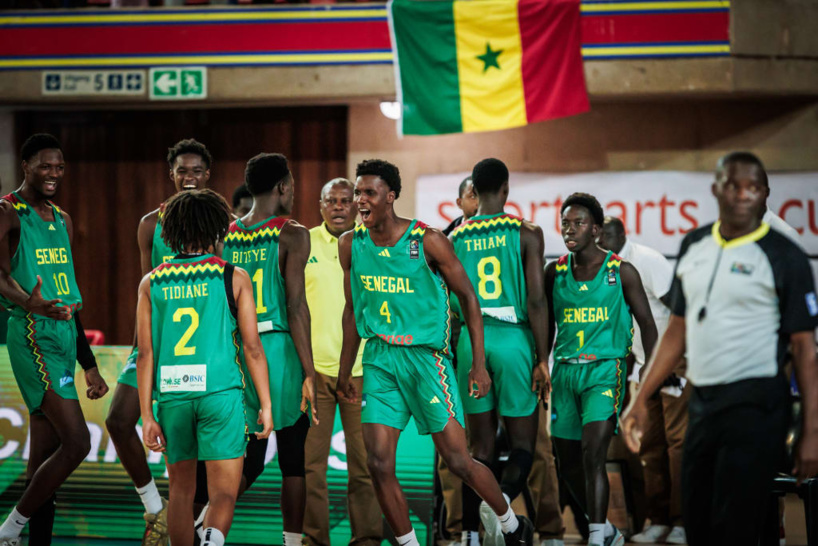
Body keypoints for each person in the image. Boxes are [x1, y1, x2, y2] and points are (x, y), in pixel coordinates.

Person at [621, 152, 818, 545]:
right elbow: (676, 330)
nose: (742, 194)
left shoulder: (786, 254)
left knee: (739, 523)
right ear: (716, 188)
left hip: (757, 405)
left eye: (753, 187)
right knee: (698, 518)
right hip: (703, 401)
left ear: (765, 193)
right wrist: (641, 398)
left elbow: (804, 349)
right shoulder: (695, 245)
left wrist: (811, 430)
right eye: (733, 184)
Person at [336, 159, 534, 546]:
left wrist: (478, 364)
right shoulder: (350, 245)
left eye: (368, 192)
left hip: (427, 361)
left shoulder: (427, 240)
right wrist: (347, 370)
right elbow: (351, 311)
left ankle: (512, 525)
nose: (360, 200)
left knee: (460, 461)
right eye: (358, 192)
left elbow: (469, 299)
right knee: (377, 463)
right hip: (379, 359)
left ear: (390, 196)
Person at [136, 189, 273, 546]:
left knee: (181, 492)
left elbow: (146, 354)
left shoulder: (151, 282)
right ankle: (212, 542)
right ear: (217, 228)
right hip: (220, 395)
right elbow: (253, 348)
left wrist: (147, 415)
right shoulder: (233, 276)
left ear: (172, 231)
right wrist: (266, 404)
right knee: (223, 492)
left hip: (174, 397)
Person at [0, 133, 109, 546]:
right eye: (45, 165)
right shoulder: (8, 212)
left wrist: (90, 363)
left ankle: (31, 543)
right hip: (31, 333)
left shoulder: (61, 219)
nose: (53, 174)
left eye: (59, 167)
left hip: (62, 332)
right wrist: (31, 304)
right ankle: (10, 527)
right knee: (78, 442)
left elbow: (70, 302)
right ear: (25, 165)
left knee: (44, 460)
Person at [106, 138, 212, 545]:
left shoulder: (219, 224)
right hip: (153, 347)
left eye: (197, 171)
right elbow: (143, 292)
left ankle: (190, 524)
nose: (189, 177)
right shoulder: (151, 224)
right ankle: (155, 508)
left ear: (209, 174)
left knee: (189, 448)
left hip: (197, 352)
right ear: (171, 174)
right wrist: (136, 348)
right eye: (182, 170)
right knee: (118, 419)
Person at [544, 192, 657, 546]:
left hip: (605, 371)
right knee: (567, 462)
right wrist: (539, 363)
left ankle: (595, 536)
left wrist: (651, 377)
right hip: (564, 373)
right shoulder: (554, 271)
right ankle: (607, 530)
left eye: (578, 223)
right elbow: (545, 324)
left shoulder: (621, 271)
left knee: (594, 453)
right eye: (565, 222)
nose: (570, 229)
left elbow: (648, 326)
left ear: (595, 229)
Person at [449, 158, 551, 546]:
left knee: (479, 448)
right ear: (506, 190)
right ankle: (502, 504)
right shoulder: (527, 233)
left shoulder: (455, 237)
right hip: (513, 341)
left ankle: (472, 536)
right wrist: (542, 359)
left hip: (470, 345)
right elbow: (538, 301)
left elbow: (451, 302)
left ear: (472, 191)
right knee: (523, 444)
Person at [223, 153, 319, 546]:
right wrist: (310, 373)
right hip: (278, 352)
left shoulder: (225, 234)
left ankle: (203, 522)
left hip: (236, 351)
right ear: (282, 187)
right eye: (292, 184)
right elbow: (296, 307)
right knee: (293, 460)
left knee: (248, 454)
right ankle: (292, 543)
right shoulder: (293, 233)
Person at [302, 178, 383, 546]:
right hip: (315, 373)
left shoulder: (371, 244)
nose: (338, 206)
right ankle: (314, 540)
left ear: (356, 206)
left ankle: (366, 539)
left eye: (345, 200)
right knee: (310, 468)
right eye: (330, 200)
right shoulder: (303, 243)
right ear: (320, 206)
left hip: (362, 371)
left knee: (365, 467)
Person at [597, 216, 687, 544]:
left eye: (607, 234)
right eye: (599, 235)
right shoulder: (607, 269)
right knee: (649, 445)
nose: (601, 241)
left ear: (621, 233)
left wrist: (676, 360)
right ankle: (659, 519)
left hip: (676, 364)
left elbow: (680, 312)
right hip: (643, 368)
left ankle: (682, 521)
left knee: (678, 444)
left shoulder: (647, 260)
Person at [439, 174, 479, 543]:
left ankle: (548, 528)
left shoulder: (515, 235)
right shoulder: (442, 241)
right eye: (471, 193)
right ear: (459, 202)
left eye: (482, 192)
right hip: (453, 359)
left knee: (535, 452)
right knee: (453, 451)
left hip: (504, 351)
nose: (477, 198)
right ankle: (458, 530)